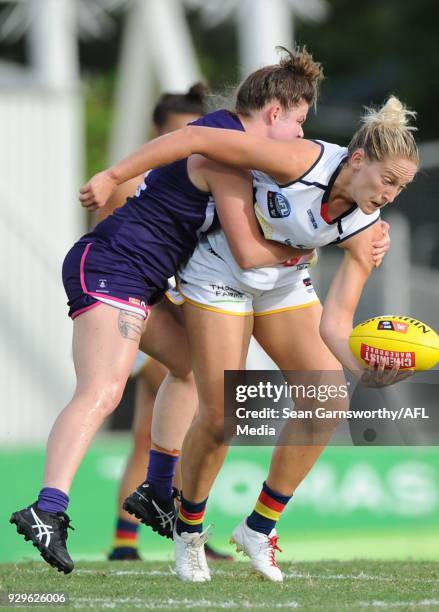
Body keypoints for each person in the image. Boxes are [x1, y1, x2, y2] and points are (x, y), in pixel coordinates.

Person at [9, 47, 336, 575]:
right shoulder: (228, 151)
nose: (300, 135)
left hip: (139, 275)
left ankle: (158, 488)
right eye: (298, 122)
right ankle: (49, 508)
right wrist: (314, 244)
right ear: (274, 113)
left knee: (187, 368)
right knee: (102, 390)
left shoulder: (233, 143)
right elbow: (249, 252)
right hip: (114, 267)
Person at [79, 93, 417, 582]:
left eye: (401, 187)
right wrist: (112, 175)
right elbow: (196, 137)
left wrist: (366, 370)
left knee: (327, 401)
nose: (390, 195)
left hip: (280, 282)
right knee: (220, 415)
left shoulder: (368, 225)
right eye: (388, 180)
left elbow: (335, 326)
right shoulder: (300, 160)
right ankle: (189, 533)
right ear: (358, 159)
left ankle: (258, 528)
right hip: (220, 272)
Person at [95, 85, 232, 563]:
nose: (189, 140)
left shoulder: (204, 173)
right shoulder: (134, 183)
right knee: (175, 421)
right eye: (179, 132)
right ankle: (159, 531)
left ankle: (134, 538)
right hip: (148, 306)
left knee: (179, 424)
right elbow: (128, 250)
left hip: (179, 307)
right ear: (159, 133)